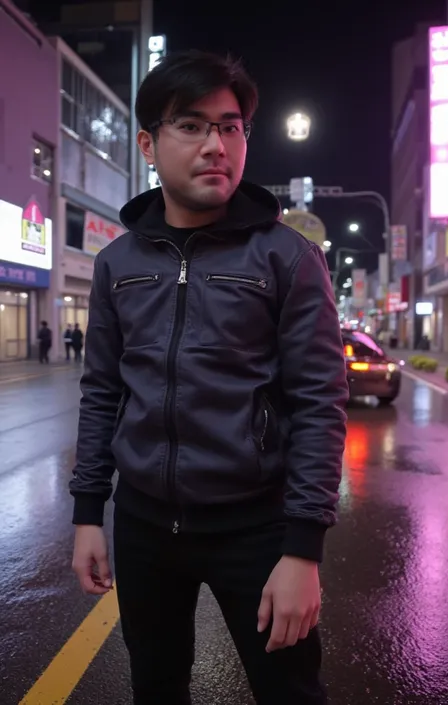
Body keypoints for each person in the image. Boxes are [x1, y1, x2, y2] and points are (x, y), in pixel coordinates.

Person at [70, 49, 348, 705]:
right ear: (148, 142)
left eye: (230, 126)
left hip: (255, 528)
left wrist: (303, 550)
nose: (216, 144)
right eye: (191, 125)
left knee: (290, 691)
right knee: (156, 687)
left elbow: (319, 403)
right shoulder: (116, 263)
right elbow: (102, 392)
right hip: (142, 524)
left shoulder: (288, 257)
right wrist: (88, 512)